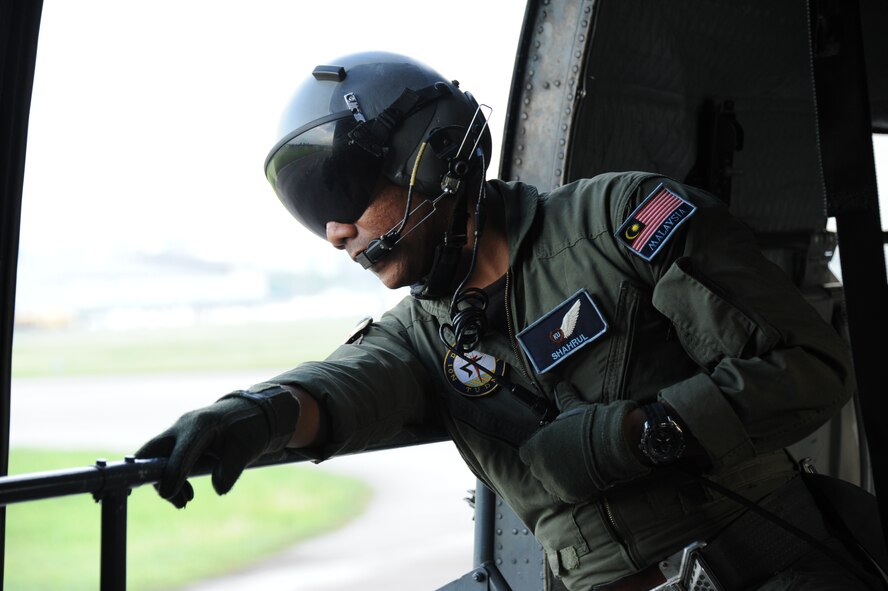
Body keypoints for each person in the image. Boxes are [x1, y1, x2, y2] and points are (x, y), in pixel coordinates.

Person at [135, 51, 882, 590]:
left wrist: (635, 431)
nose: (335, 231)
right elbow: (342, 387)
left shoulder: (621, 221)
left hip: (773, 563)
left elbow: (810, 369)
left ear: (430, 162)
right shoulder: (424, 335)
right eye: (314, 213)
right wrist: (253, 415)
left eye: (345, 189)